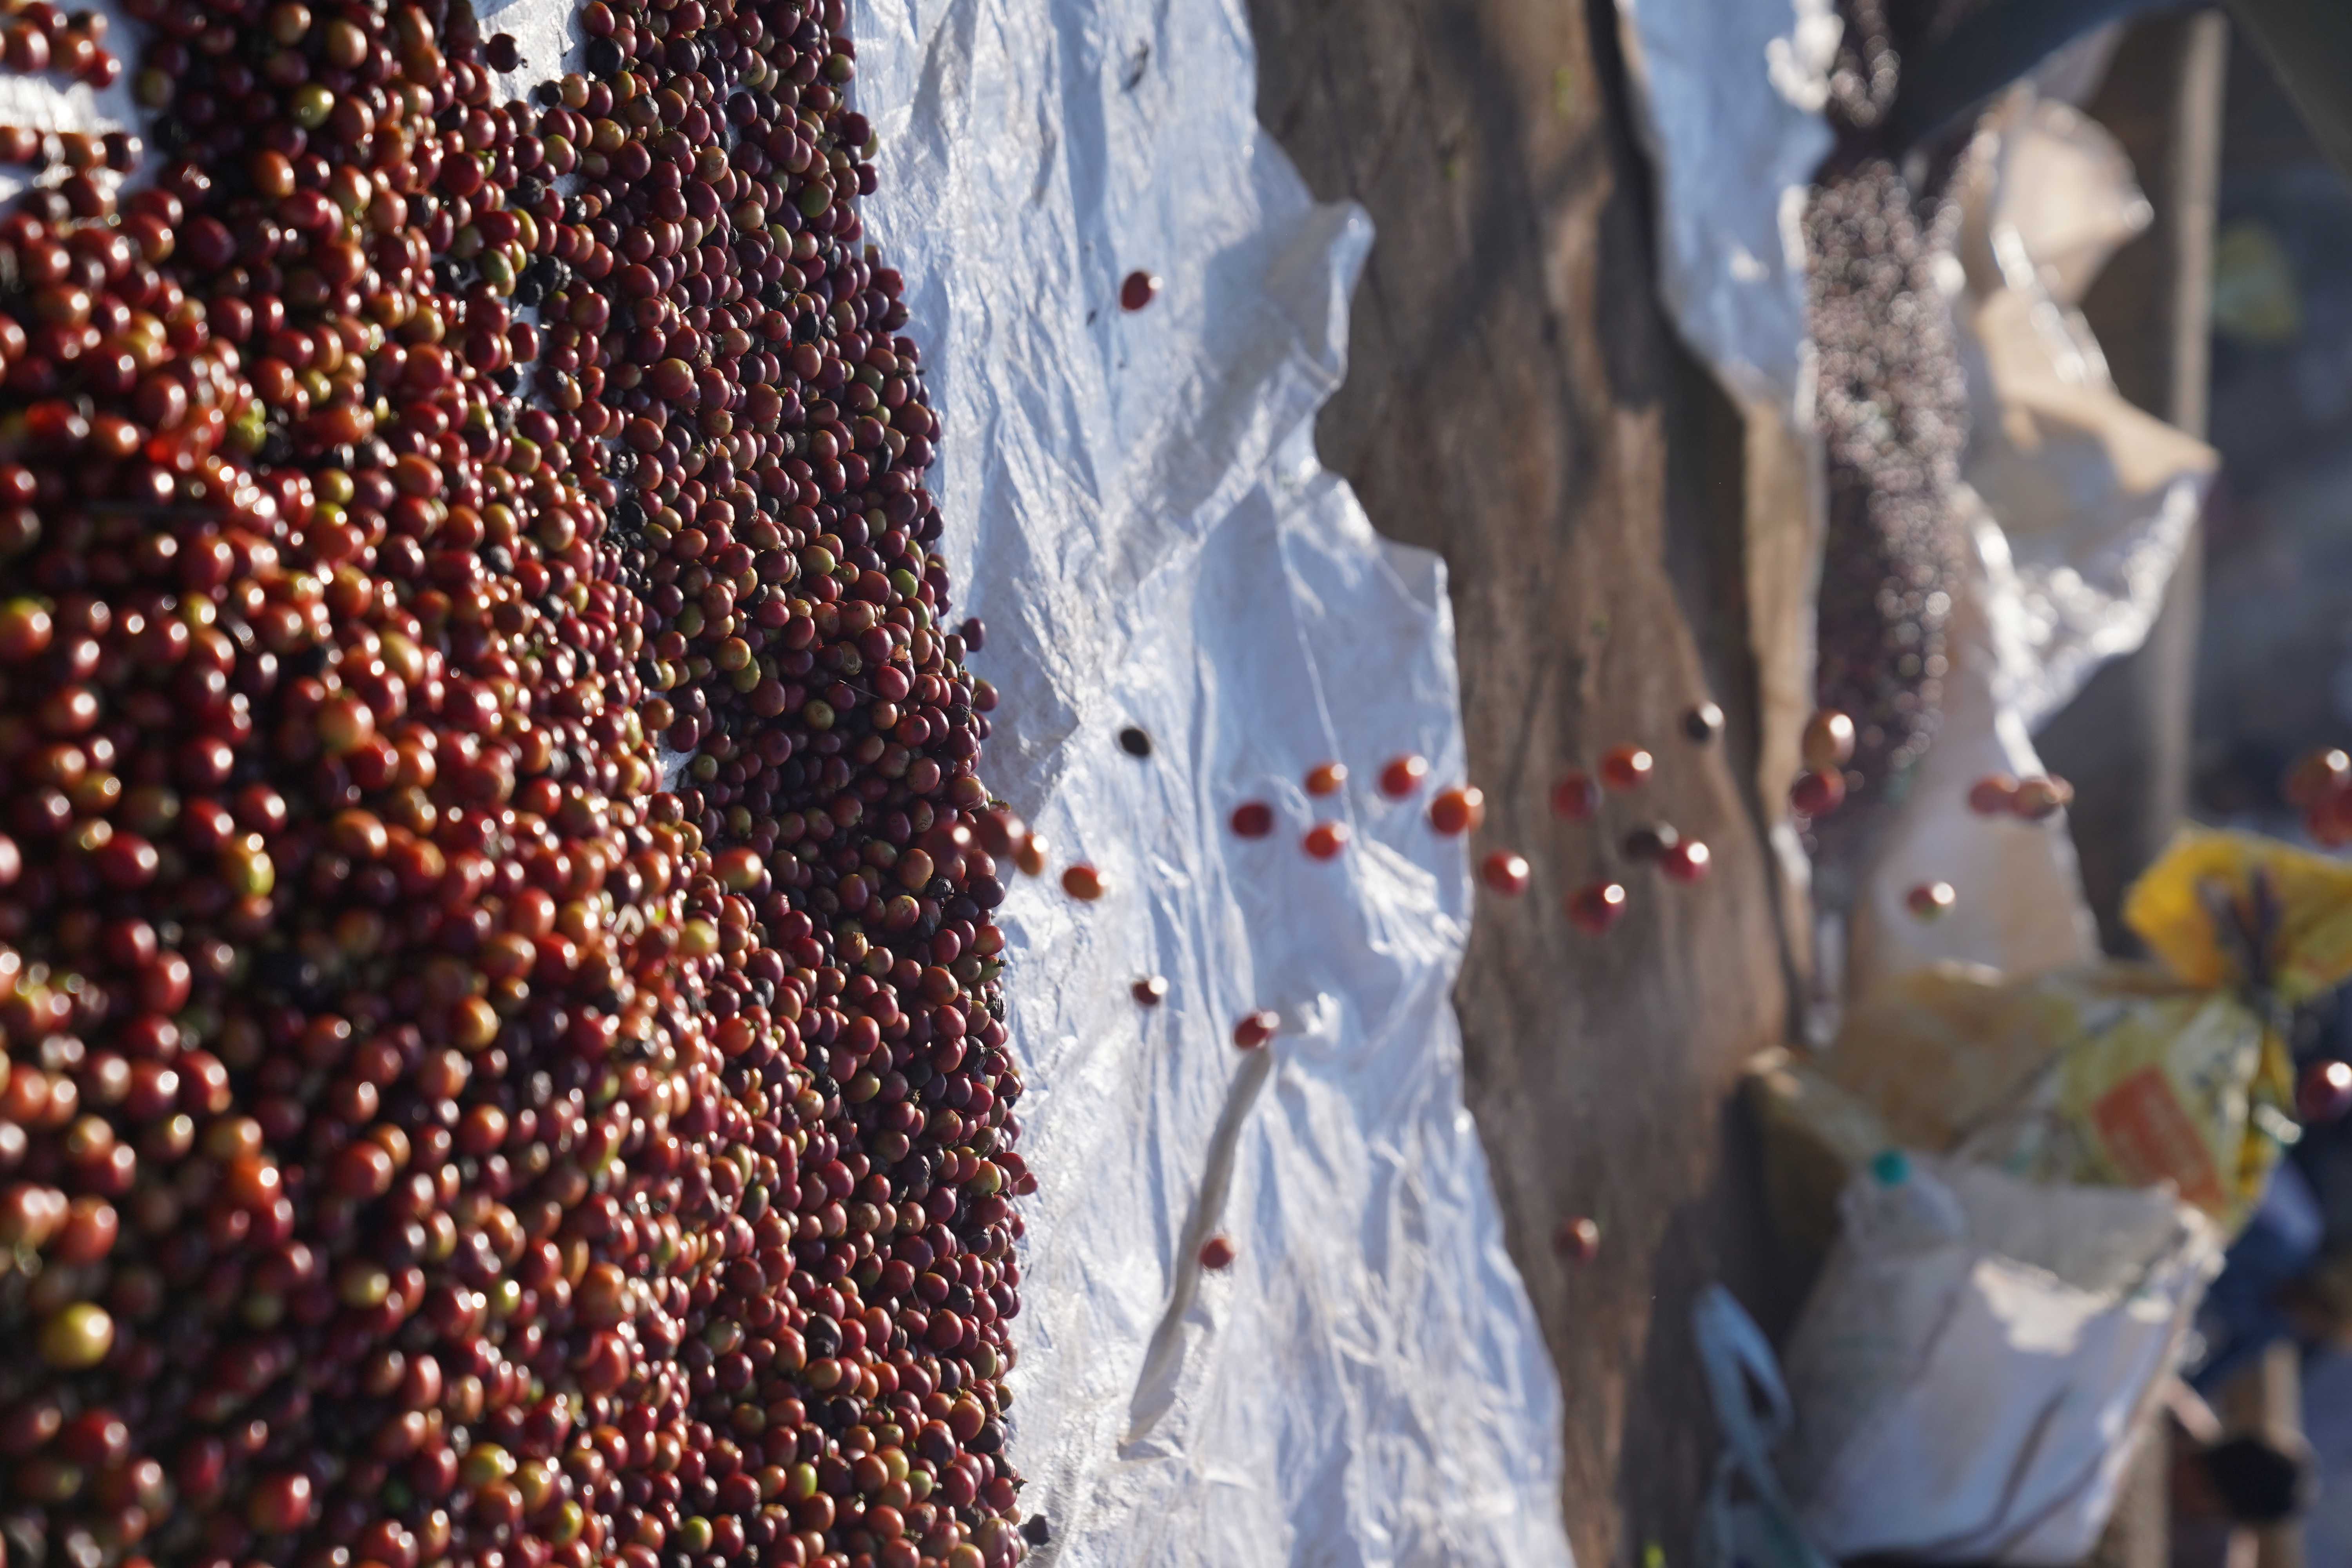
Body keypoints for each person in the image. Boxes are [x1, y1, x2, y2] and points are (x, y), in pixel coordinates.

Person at [2162, 1377, 2314, 1568]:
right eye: (2194, 1465)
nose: (2180, 1479)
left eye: (2203, 1489)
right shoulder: (2175, 1414)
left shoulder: (2210, 1557)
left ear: (2223, 1513)